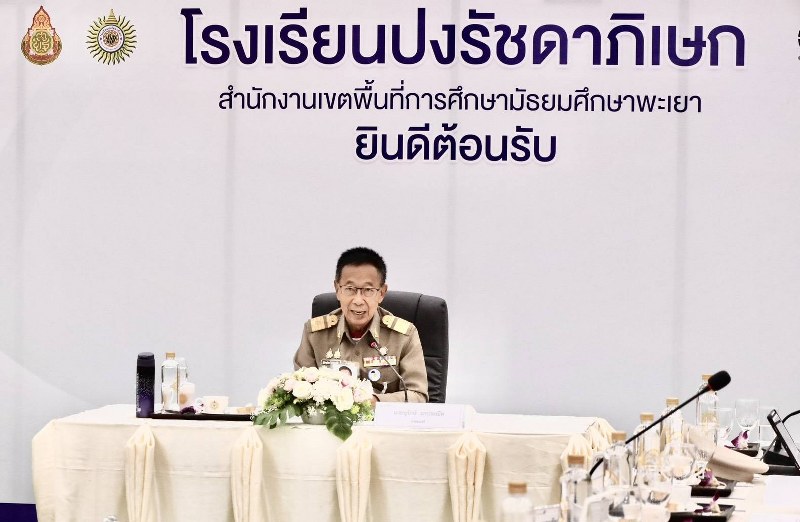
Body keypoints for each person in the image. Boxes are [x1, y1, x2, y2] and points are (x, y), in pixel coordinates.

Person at [293, 247, 428, 403]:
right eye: (350, 289)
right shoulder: (314, 334)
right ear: (337, 289)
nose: (358, 301)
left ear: (382, 293)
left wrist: (374, 402)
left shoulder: (404, 336)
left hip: (382, 418)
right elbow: (301, 393)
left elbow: (418, 396)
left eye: (368, 290)